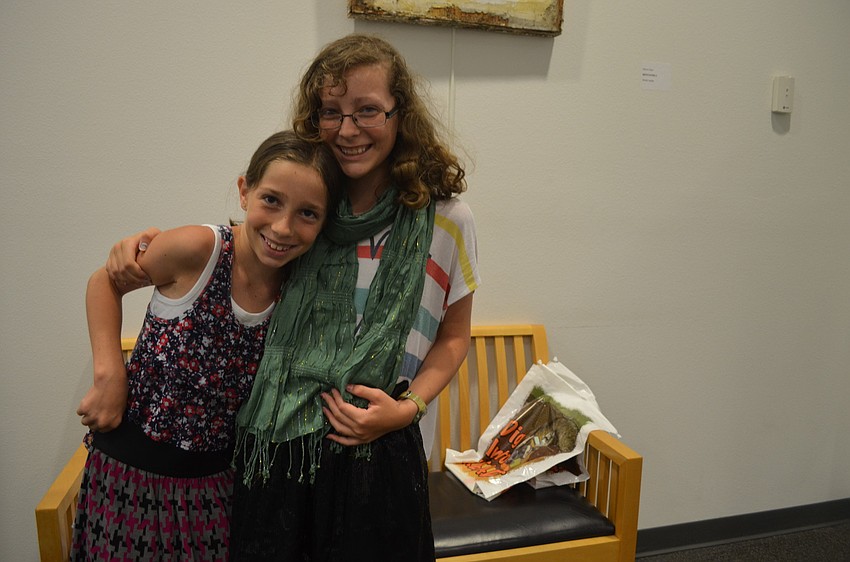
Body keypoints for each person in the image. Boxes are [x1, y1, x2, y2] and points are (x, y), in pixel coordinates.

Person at [107, 33, 481, 561]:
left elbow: (453, 336)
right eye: (332, 111)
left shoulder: (446, 218)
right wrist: (144, 244)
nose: (348, 129)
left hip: (378, 450)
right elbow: (239, 249)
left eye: (367, 110)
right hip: (278, 451)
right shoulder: (308, 212)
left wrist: (406, 409)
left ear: (401, 115)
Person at [71, 130, 342, 561]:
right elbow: (104, 280)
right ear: (244, 190)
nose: (283, 227)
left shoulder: (297, 289)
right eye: (271, 200)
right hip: (128, 479)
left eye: (307, 213)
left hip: (214, 489)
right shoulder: (202, 249)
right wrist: (108, 373)